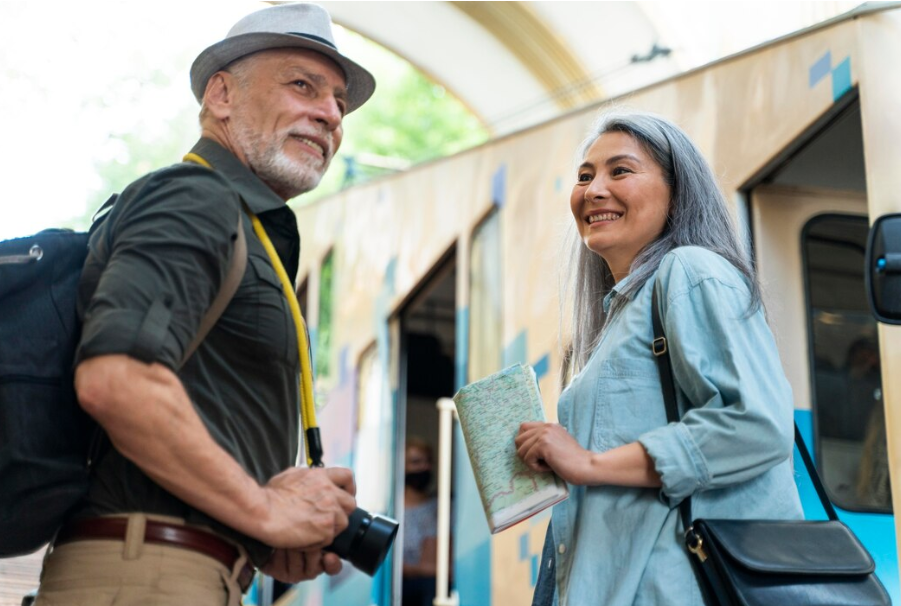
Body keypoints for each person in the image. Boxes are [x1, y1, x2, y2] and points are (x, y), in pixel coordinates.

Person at [34, 4, 375, 605]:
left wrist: (261, 537)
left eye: (340, 103)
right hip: (147, 575)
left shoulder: (242, 221)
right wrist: (266, 510)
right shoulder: (196, 197)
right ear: (221, 94)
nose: (329, 114)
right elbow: (118, 379)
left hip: (178, 571)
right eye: (303, 85)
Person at [515, 112, 803, 606]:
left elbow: (755, 422)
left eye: (620, 171)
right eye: (585, 176)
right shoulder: (624, 314)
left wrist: (588, 461)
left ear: (678, 190)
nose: (594, 189)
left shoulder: (690, 270)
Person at [402, 438, 439, 606]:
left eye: (428, 461)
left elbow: (434, 563)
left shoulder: (440, 508)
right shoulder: (389, 511)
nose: (424, 467)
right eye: (416, 462)